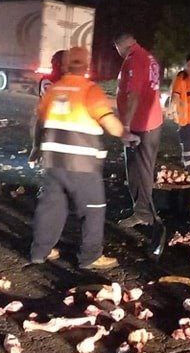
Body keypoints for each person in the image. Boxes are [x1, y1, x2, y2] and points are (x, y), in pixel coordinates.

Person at [28, 47, 135, 271]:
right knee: (93, 209)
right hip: (82, 164)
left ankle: (40, 252)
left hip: (53, 161)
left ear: (66, 65)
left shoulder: (53, 90)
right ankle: (90, 257)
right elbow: (110, 123)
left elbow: (38, 122)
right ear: (86, 66)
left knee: (51, 207)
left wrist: (36, 148)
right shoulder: (90, 91)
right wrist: (127, 135)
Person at [114, 33, 164, 229]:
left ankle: (145, 214)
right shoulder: (149, 57)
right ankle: (143, 210)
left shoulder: (134, 60)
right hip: (153, 121)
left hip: (140, 124)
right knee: (143, 169)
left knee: (138, 170)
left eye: (119, 52)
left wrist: (126, 125)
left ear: (123, 47)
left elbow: (133, 94)